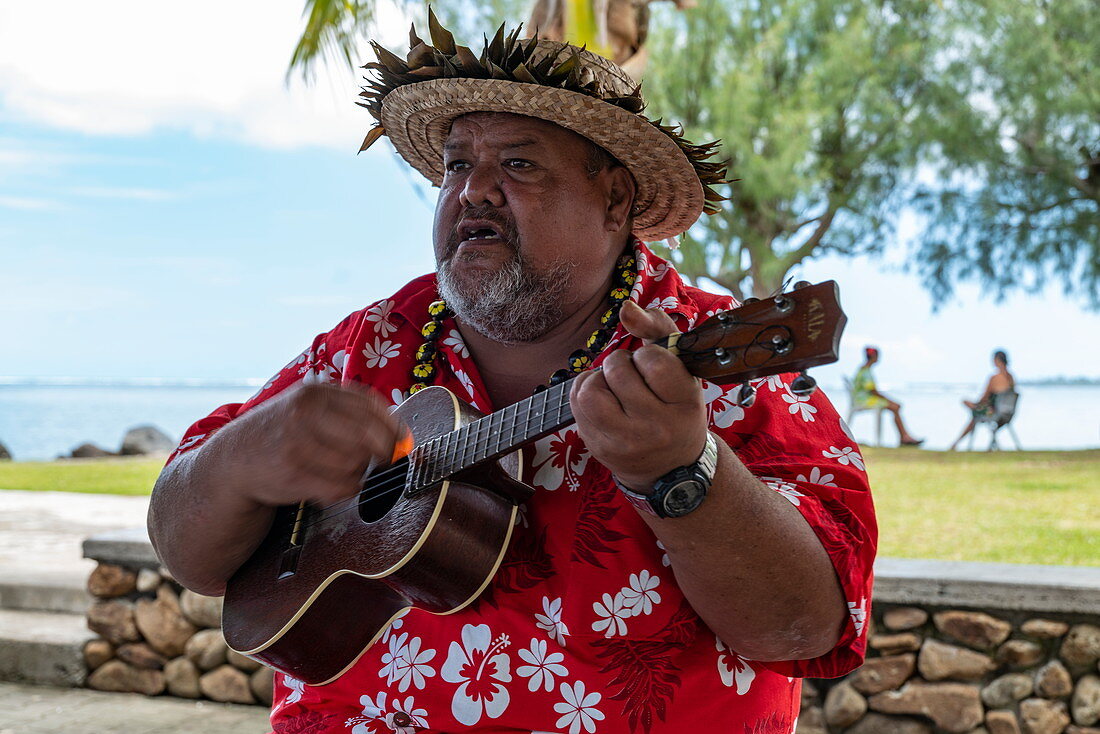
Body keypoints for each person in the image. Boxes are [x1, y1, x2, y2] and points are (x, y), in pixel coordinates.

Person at [148, 17, 877, 733]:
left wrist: (682, 475)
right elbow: (187, 551)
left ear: (616, 201)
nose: (473, 191)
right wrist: (242, 458)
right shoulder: (369, 343)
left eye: (519, 163)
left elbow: (807, 628)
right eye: (459, 164)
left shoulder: (714, 358)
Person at [852, 346, 923, 446]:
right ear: (873, 356)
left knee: (896, 407)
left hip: (865, 399)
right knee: (895, 406)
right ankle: (904, 437)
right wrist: (890, 400)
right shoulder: (865, 372)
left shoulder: (863, 370)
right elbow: (873, 392)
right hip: (864, 400)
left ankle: (904, 436)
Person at [949, 350, 1016, 451]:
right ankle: (957, 442)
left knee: (969, 407)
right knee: (974, 413)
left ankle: (956, 442)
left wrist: (975, 405)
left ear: (997, 360)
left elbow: (984, 398)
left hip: (994, 412)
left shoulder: (995, 378)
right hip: (1008, 413)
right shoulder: (1011, 378)